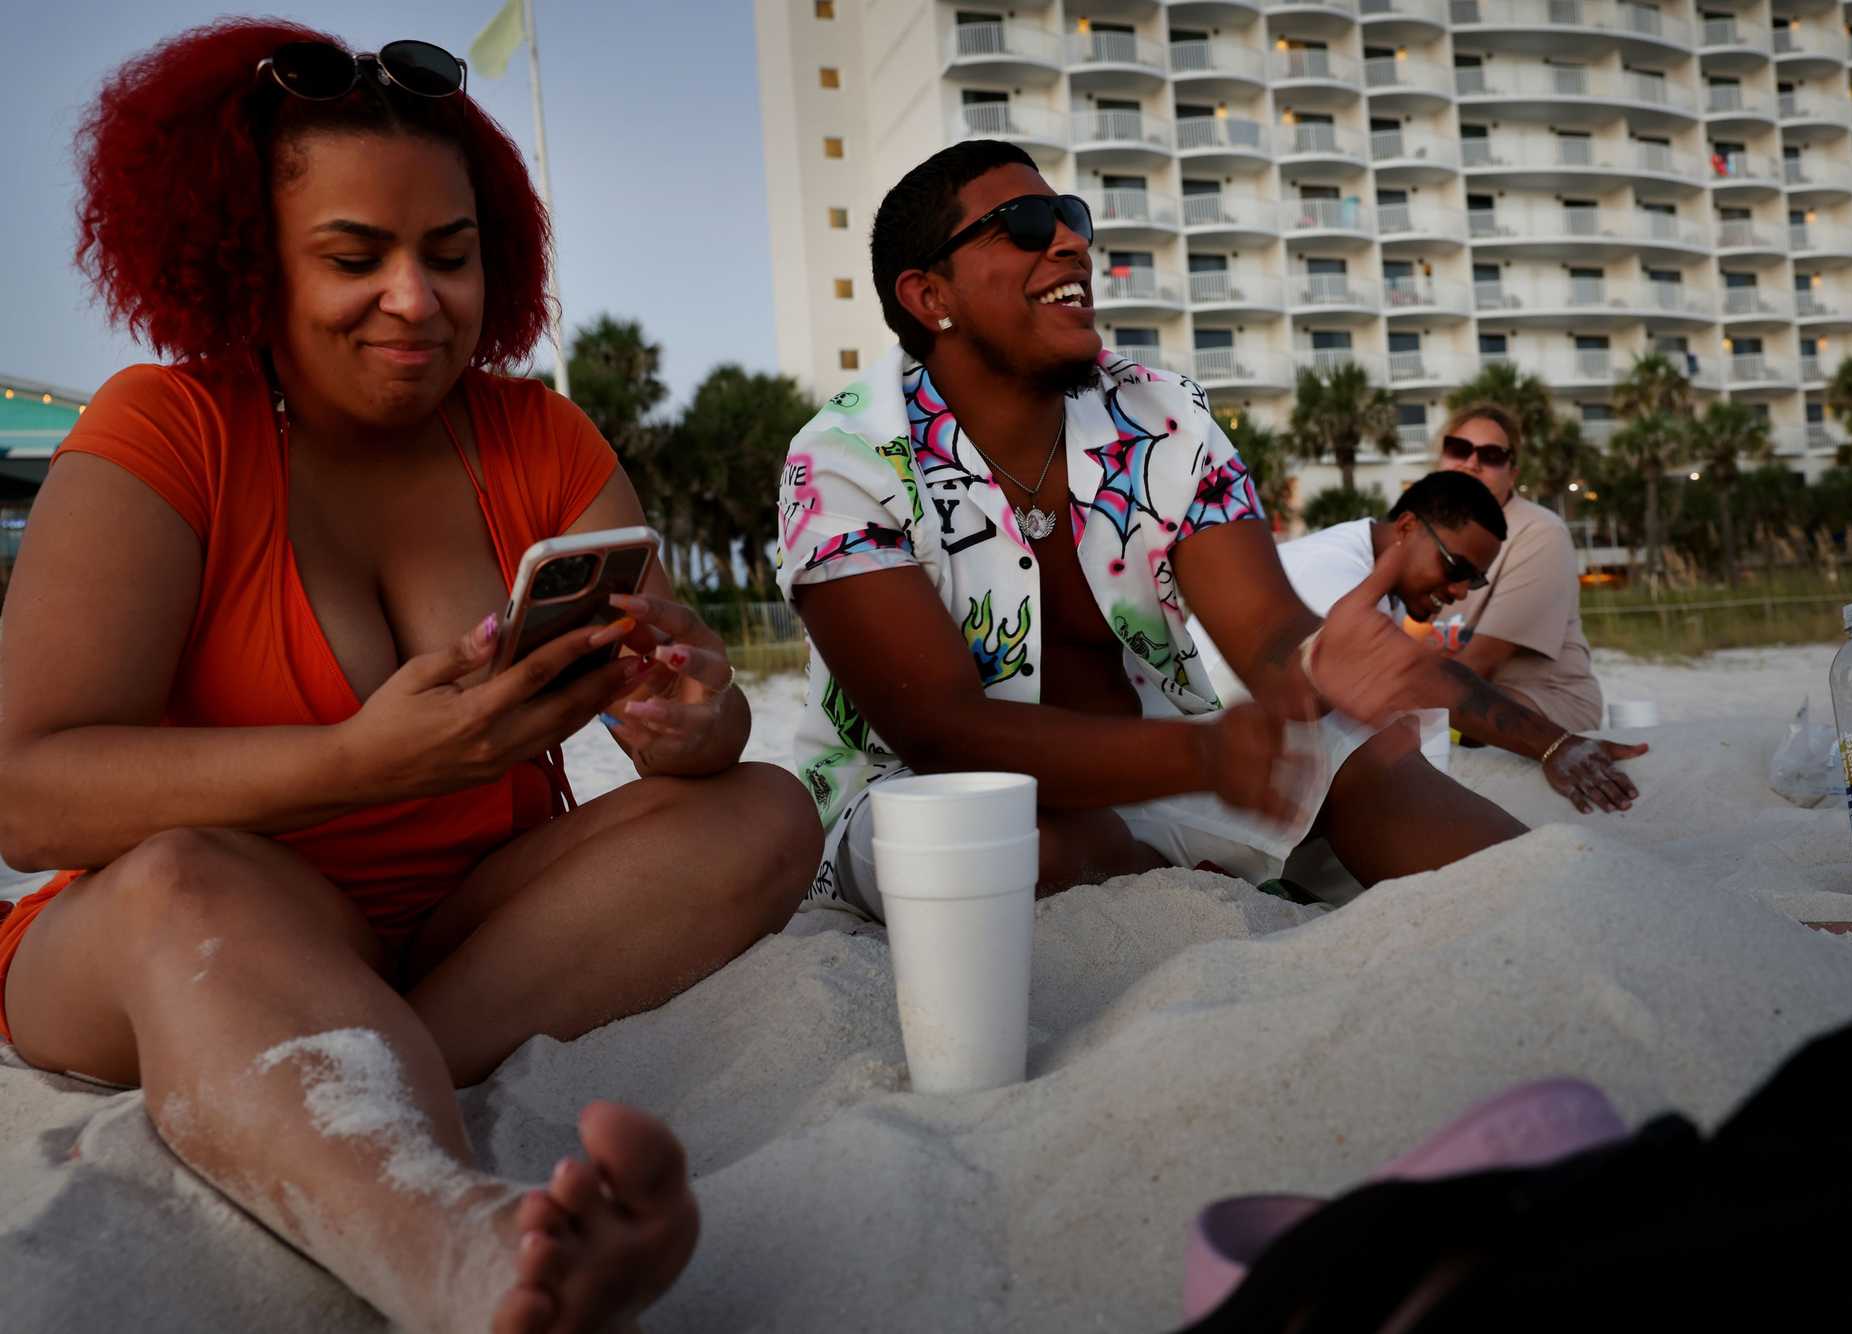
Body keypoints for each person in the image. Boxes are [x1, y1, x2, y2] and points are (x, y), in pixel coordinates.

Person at [0, 22, 822, 1333]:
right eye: (352, 256)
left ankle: (318, 1074)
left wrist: (691, 708)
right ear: (245, 259)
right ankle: (457, 1243)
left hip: (461, 932)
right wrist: (360, 761)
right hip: (176, 924)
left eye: (451, 254)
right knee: (184, 880)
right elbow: (27, 792)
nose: (416, 299)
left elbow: (692, 747)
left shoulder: (540, 438)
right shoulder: (166, 428)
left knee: (766, 806)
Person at [776, 139, 1527, 918]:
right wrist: (1203, 754)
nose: (1071, 241)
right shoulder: (847, 460)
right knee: (1013, 840)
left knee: (1353, 756)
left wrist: (1315, 663)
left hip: (1162, 779)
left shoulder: (1164, 417)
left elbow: (1266, 632)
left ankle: (1546, 898)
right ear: (931, 296)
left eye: (1071, 217)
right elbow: (941, 731)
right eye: (1026, 223)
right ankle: (1205, 885)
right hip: (919, 803)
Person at [1189, 472, 1647, 814]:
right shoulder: (1331, 572)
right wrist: (1555, 745)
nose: (1458, 592)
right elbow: (1420, 679)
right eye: (1454, 567)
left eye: (1474, 580)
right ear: (1406, 528)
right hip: (1206, 798)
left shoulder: (1368, 574)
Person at [1428, 405, 1608, 735]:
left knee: (1412, 724)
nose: (1471, 463)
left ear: (1512, 473)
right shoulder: (1426, 532)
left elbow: (1482, 662)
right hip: (1465, 693)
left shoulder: (1540, 532)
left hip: (1541, 700)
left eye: (1492, 455)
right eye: (1459, 449)